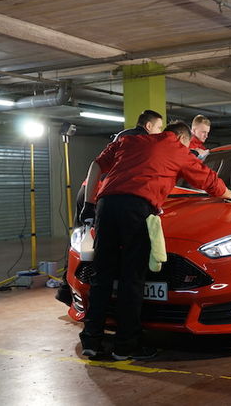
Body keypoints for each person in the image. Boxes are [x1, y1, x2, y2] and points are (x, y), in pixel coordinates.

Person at [78, 121, 231, 360]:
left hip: (106, 207)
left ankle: (91, 341)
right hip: (136, 209)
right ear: (182, 138)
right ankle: (125, 347)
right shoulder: (177, 148)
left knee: (102, 275)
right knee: (132, 277)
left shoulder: (128, 140)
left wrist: (89, 204)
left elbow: (95, 165)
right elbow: (209, 181)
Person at [55, 110, 164, 305]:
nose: (159, 132)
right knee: (104, 248)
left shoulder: (123, 136)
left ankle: (67, 289)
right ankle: (101, 290)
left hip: (88, 190)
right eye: (158, 128)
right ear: (148, 126)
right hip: (101, 194)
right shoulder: (141, 142)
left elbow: (98, 165)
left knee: (81, 241)